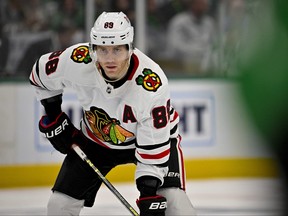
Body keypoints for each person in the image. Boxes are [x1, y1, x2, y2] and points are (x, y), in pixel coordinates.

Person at [29, 12, 197, 216]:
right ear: (93, 49)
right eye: (103, 50)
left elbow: (154, 148)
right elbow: (39, 74)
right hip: (94, 142)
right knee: (59, 205)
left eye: (117, 49)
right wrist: (54, 115)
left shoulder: (150, 83)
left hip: (148, 143)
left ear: (130, 49)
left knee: (175, 204)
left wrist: (148, 194)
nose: (109, 59)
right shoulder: (77, 60)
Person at [167, 0, 215, 75]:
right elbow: (175, 47)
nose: (203, 6)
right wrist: (199, 50)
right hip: (182, 69)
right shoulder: (179, 21)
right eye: (200, 3)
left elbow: (214, 45)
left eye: (205, 4)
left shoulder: (209, 22)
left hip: (206, 68)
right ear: (192, 4)